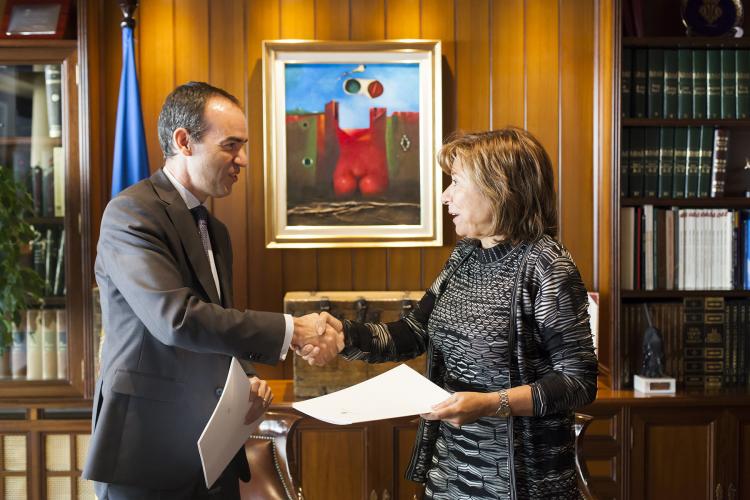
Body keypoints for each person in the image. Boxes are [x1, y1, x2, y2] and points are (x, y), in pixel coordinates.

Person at [303, 128, 598, 499]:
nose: (445, 196)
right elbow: (414, 332)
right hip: (450, 475)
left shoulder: (547, 265)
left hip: (522, 484)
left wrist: (491, 404)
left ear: (500, 188)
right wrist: (344, 335)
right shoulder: (465, 255)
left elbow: (578, 382)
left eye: (456, 182)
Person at [83, 82, 334, 499]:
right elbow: (177, 319)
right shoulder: (131, 213)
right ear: (184, 142)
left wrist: (247, 377)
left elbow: (216, 322)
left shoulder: (213, 229)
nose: (243, 160)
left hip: (213, 453)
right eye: (230, 146)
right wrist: (293, 330)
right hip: (145, 454)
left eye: (243, 146)